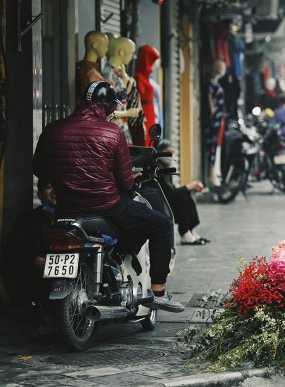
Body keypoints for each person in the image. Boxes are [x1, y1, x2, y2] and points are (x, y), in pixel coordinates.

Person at [32, 81, 183, 313]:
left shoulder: (52, 129)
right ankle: (159, 290)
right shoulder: (112, 132)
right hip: (106, 206)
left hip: (66, 208)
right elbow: (124, 183)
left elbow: (39, 170)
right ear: (108, 107)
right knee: (161, 224)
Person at [4, 180, 58, 334]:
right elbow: (14, 252)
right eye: (49, 187)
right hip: (40, 276)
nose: (54, 191)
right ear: (39, 194)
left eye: (58, 185)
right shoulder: (27, 221)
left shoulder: (79, 218)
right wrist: (36, 260)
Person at [155, 140, 210, 246]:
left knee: (186, 195)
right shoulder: (158, 168)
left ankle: (189, 230)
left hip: (166, 200)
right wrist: (189, 187)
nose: (170, 155)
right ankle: (184, 233)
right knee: (182, 197)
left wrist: (189, 188)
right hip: (161, 203)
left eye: (172, 152)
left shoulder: (166, 167)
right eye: (167, 152)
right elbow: (169, 192)